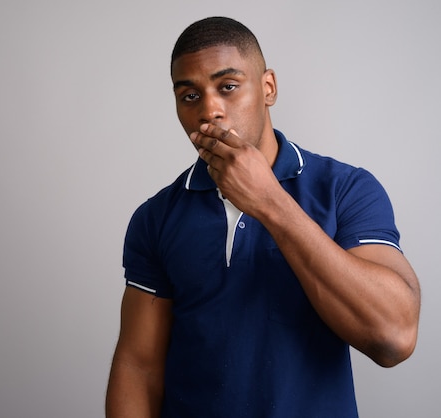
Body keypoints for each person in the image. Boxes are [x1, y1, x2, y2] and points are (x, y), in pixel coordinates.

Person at [105, 16, 420, 418]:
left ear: (268, 88)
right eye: (189, 96)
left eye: (228, 87)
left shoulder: (345, 189)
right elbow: (139, 366)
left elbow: (394, 337)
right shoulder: (156, 217)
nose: (210, 110)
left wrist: (270, 201)